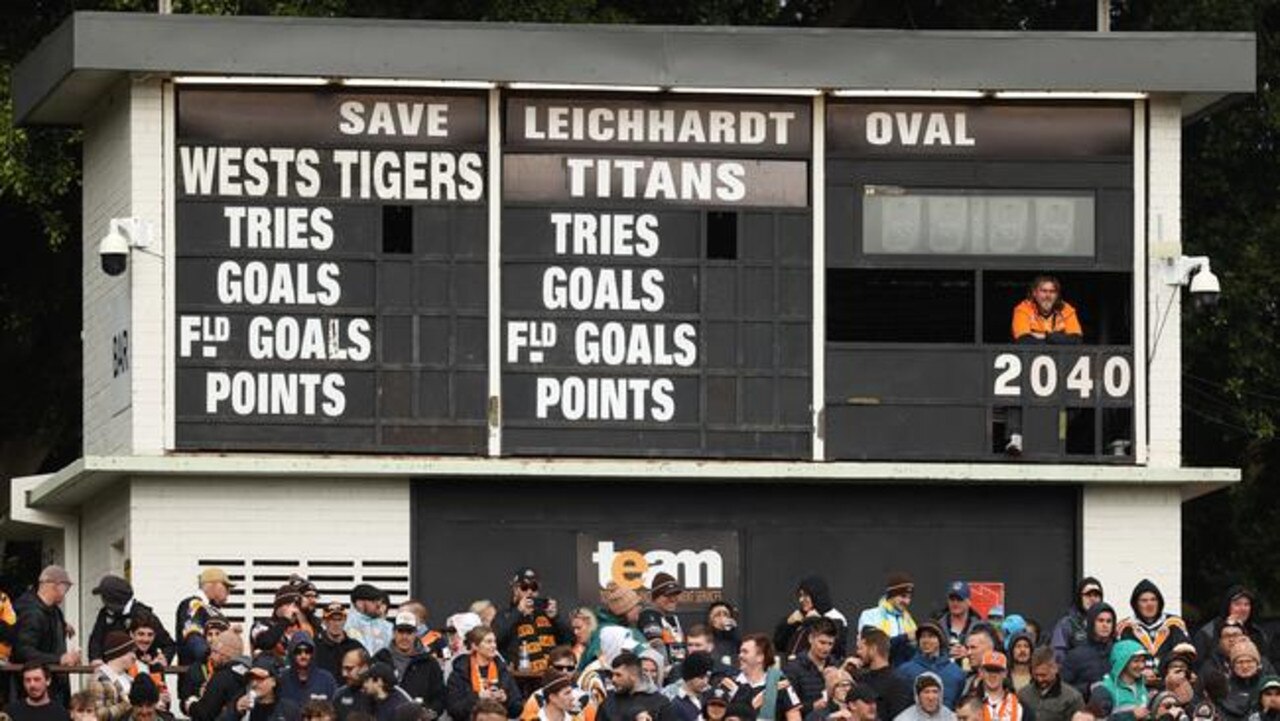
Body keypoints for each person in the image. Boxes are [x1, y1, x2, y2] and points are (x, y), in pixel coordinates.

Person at [1004, 275, 1083, 454]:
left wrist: (1045, 336)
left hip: (1060, 369)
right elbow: (1023, 341)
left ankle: (1058, 438)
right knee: (1012, 394)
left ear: (1057, 295)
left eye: (1052, 291)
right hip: (1026, 367)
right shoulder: (1023, 308)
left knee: (1072, 403)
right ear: (1034, 293)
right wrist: (1059, 339)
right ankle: (1015, 439)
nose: (1048, 295)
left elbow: (1077, 341)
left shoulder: (1067, 310)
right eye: (1043, 291)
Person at [13, 566, 79, 704]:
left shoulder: (52, 610)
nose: (66, 593)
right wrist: (60, 659)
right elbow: (23, 651)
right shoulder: (32, 613)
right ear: (55, 586)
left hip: (52, 689)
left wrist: (62, 625)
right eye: (66, 588)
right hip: (37, 695)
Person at [493, 568, 572, 674]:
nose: (529, 592)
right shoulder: (505, 615)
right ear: (515, 590)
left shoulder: (547, 613)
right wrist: (518, 612)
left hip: (549, 676)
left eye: (534, 588)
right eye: (524, 587)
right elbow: (497, 639)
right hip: (521, 678)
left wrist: (556, 618)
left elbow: (569, 640)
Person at [88, 576, 176, 667]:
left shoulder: (145, 615)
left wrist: (163, 658)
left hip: (142, 673)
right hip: (114, 672)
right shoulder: (105, 614)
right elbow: (96, 639)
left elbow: (169, 645)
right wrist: (96, 658)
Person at [372, 613, 444, 716]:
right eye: (400, 631)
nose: (404, 637)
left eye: (409, 632)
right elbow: (368, 691)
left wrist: (430, 713)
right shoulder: (380, 658)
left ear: (415, 634)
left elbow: (439, 697)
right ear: (393, 633)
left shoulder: (429, 662)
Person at [445, 625, 522, 721]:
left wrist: (505, 699)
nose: (494, 645)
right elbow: (454, 710)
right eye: (488, 642)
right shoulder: (460, 672)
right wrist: (478, 697)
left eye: (494, 641)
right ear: (475, 646)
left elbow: (517, 709)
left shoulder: (503, 671)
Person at [1119, 581, 1190, 681]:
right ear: (1136, 604)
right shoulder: (1127, 627)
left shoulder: (1174, 624)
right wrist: (1140, 671)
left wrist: (1160, 671)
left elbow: (1183, 655)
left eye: (1153, 600)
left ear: (1159, 602)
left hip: (1169, 684)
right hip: (1136, 684)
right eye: (1144, 601)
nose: (1150, 604)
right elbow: (1122, 659)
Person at [724, 634, 802, 721]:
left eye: (745, 652)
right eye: (740, 652)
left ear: (760, 657)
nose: (740, 655)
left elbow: (794, 717)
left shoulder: (780, 684)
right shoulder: (729, 683)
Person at [1193, 588, 1270, 671]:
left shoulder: (1257, 633)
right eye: (1237, 604)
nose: (1243, 609)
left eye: (1246, 604)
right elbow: (1199, 666)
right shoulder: (1208, 633)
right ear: (1227, 607)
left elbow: (1266, 664)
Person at [777, 577, 849, 665]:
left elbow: (833, 649)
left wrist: (814, 621)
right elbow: (779, 644)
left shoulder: (836, 618)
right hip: (793, 670)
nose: (801, 599)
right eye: (800, 595)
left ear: (816, 595)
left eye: (805, 596)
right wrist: (788, 624)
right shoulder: (799, 616)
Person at [897, 622, 965, 710]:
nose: (926, 640)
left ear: (940, 640)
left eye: (931, 636)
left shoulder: (957, 673)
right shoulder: (904, 671)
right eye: (922, 636)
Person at [186, 630, 249, 721]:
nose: (211, 657)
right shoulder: (248, 673)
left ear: (225, 654)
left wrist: (191, 705)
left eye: (214, 652)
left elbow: (205, 714)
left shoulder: (222, 677)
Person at [175, 567, 233, 666]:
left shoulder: (210, 609)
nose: (228, 592)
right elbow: (193, 635)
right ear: (213, 585)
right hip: (198, 675)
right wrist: (210, 656)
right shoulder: (194, 604)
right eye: (226, 587)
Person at [857, 574, 918, 667]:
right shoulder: (869, 615)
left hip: (902, 675)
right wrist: (906, 638)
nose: (907, 601)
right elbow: (875, 647)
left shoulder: (909, 620)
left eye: (909, 597)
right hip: (875, 674)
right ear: (891, 595)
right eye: (903, 596)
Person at [598, 651, 677, 721]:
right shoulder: (609, 702)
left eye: (618, 675)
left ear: (634, 676)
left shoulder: (660, 704)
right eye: (612, 674)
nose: (613, 679)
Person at [177, 619, 234, 714]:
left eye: (218, 634)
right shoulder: (196, 668)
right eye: (210, 634)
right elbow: (183, 703)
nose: (213, 638)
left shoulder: (233, 666)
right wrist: (196, 698)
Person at [784, 619, 839, 715]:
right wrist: (813, 706)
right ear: (810, 639)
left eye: (830, 644)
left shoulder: (836, 666)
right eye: (822, 642)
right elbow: (787, 708)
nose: (826, 648)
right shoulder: (793, 669)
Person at [855, 629, 912, 721]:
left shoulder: (898, 683)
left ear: (873, 649)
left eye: (861, 648)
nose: (858, 652)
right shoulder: (861, 679)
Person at [1062, 603, 1116, 699]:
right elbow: (1062, 689)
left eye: (1109, 621)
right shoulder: (1076, 655)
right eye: (1100, 620)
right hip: (1087, 709)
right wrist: (1088, 688)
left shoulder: (1119, 651)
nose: (1105, 625)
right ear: (1091, 622)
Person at [1017, 647, 1084, 721]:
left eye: (1044, 675)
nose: (1040, 679)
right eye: (1036, 675)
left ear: (1055, 669)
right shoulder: (1022, 695)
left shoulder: (1073, 699)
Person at [1090, 640, 1150, 720]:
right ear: (1121, 662)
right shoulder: (1104, 690)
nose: (1141, 665)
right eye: (1136, 661)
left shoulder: (1142, 687)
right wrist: (1130, 716)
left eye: (1143, 661)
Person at [1052, 580, 1105, 665]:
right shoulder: (1067, 624)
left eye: (1096, 595)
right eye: (1088, 595)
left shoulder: (1107, 622)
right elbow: (1058, 656)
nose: (1093, 599)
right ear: (1079, 597)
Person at [232, 656, 303, 721]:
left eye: (260, 678)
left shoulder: (289, 710)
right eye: (251, 679)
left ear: (273, 681)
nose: (254, 684)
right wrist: (236, 712)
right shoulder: (242, 707)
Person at [88, 630, 137, 721]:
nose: (134, 657)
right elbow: (97, 714)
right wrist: (126, 705)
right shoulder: (99, 679)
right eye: (131, 652)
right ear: (120, 653)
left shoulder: (129, 679)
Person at [280, 632, 339, 706]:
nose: (303, 655)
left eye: (308, 651)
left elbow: (335, 708)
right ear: (292, 653)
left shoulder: (327, 679)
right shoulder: (282, 679)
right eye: (298, 651)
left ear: (313, 653)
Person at [975, 652, 1034, 721]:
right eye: (989, 670)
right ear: (981, 672)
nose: (993, 675)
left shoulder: (1019, 705)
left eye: (997, 671)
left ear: (1005, 673)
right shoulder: (970, 702)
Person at [316, 604, 365, 682]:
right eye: (332, 620)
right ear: (324, 621)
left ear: (345, 620)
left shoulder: (355, 647)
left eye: (339, 619)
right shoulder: (315, 647)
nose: (336, 624)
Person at [935, 584, 982, 666]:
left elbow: (986, 653)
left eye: (959, 599)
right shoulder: (937, 626)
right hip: (943, 673)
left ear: (969, 602)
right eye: (952, 599)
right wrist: (946, 653)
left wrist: (969, 652)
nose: (955, 603)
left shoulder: (980, 627)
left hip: (971, 674)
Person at [5, 663, 70, 721]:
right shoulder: (11, 712)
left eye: (37, 679)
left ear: (48, 681)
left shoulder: (60, 714)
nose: (32, 684)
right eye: (28, 680)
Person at [1220, 641, 1266, 721]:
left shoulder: (1268, 687)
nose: (1245, 666)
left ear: (1257, 664)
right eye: (1240, 662)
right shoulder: (1222, 687)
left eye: (1249, 661)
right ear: (1232, 666)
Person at [651, 573, 690, 666]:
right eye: (668, 595)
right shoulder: (649, 615)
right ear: (655, 597)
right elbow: (657, 648)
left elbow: (679, 653)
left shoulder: (672, 618)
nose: (673, 599)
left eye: (675, 594)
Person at [346, 585, 393, 657]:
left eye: (379, 601)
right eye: (374, 601)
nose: (379, 604)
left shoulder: (387, 626)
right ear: (360, 603)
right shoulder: (346, 625)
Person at [669, 652, 716, 721]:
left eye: (708, 677)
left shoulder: (710, 697)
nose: (705, 682)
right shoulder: (675, 705)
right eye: (701, 677)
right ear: (689, 676)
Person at [332, 648, 374, 721]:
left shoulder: (379, 694)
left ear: (365, 668)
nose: (344, 674)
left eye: (349, 669)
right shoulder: (339, 695)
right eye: (343, 668)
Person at [708, 603, 742, 671]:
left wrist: (733, 630)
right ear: (711, 620)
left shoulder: (734, 636)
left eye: (725, 614)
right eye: (718, 615)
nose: (722, 617)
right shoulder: (707, 637)